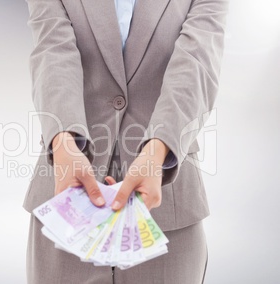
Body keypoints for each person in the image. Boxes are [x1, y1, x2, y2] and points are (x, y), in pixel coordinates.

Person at [22, 0, 228, 283]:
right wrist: (64, 141)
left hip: (168, 203)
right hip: (67, 198)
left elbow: (197, 61)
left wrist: (158, 150)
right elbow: (52, 50)